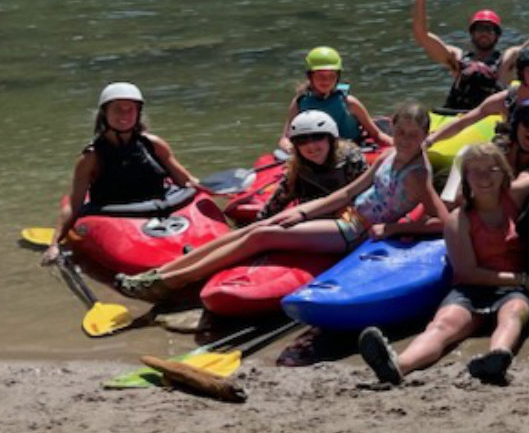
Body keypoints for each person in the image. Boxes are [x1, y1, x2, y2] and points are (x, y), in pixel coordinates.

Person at [115, 102, 445, 301]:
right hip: (343, 214)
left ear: (425, 135)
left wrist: (391, 229)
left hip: (353, 230)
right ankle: (160, 272)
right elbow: (345, 193)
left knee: (261, 236)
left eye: (414, 136)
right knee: (261, 224)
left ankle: (176, 280)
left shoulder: (418, 174)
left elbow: (443, 221)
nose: (405, 141)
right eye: (400, 133)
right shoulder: (387, 156)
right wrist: (301, 212)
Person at [357, 143, 529, 387]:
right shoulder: (458, 220)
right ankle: (398, 366)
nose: (484, 177)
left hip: (513, 290)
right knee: (442, 326)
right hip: (479, 286)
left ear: (503, 172)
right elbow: (467, 273)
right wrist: (523, 280)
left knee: (512, 314)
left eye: (491, 169)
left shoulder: (515, 194)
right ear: (466, 177)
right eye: (476, 171)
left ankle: (497, 357)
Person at [43, 83, 200, 265]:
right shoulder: (91, 157)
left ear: (138, 113)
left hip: (159, 210)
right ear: (105, 113)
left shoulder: (155, 144)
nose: (124, 115)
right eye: (118, 109)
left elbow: (186, 181)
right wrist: (54, 243)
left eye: (130, 110)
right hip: (115, 216)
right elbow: (74, 203)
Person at [412, 0, 529, 113]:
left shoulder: (507, 61)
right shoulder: (457, 58)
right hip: (457, 114)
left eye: (489, 29)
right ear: (472, 33)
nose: (484, 33)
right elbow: (422, 36)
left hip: (490, 117)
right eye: (479, 29)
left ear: (497, 35)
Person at [427, 44, 529, 150]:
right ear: (522, 73)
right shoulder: (503, 100)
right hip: (513, 152)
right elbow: (463, 122)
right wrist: (431, 140)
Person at [258, 111, 371, 219]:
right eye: (302, 140)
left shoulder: (351, 159)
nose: (311, 146)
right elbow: (273, 207)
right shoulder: (296, 170)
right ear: (296, 147)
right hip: (312, 218)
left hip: (350, 217)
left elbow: (372, 194)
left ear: (330, 140)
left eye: (318, 137)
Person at [279, 46, 390, 154]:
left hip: (350, 152)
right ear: (310, 77)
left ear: (338, 77)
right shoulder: (299, 103)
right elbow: (285, 139)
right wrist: (289, 147)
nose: (326, 81)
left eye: (331, 76)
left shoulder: (350, 103)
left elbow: (377, 135)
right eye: (320, 76)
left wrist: (397, 146)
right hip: (314, 154)